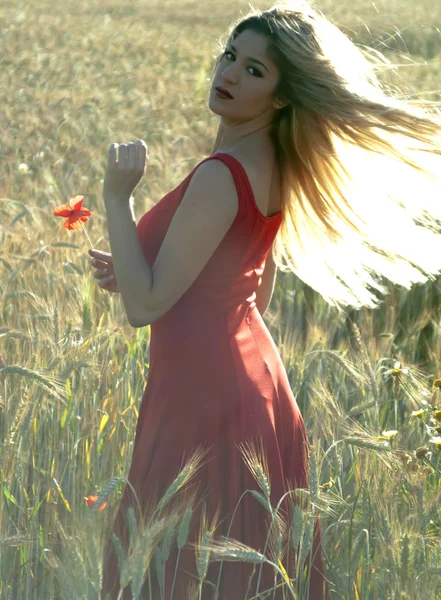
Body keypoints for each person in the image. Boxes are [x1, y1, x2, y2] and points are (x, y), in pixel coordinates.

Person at [93, 1, 441, 598]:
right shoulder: (274, 165)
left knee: (173, 571)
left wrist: (118, 197)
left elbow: (144, 309)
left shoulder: (220, 174)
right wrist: (142, 271)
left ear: (282, 96)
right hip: (257, 386)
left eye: (256, 70)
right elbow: (250, 282)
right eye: (231, 56)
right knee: (250, 572)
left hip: (199, 397)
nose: (228, 73)